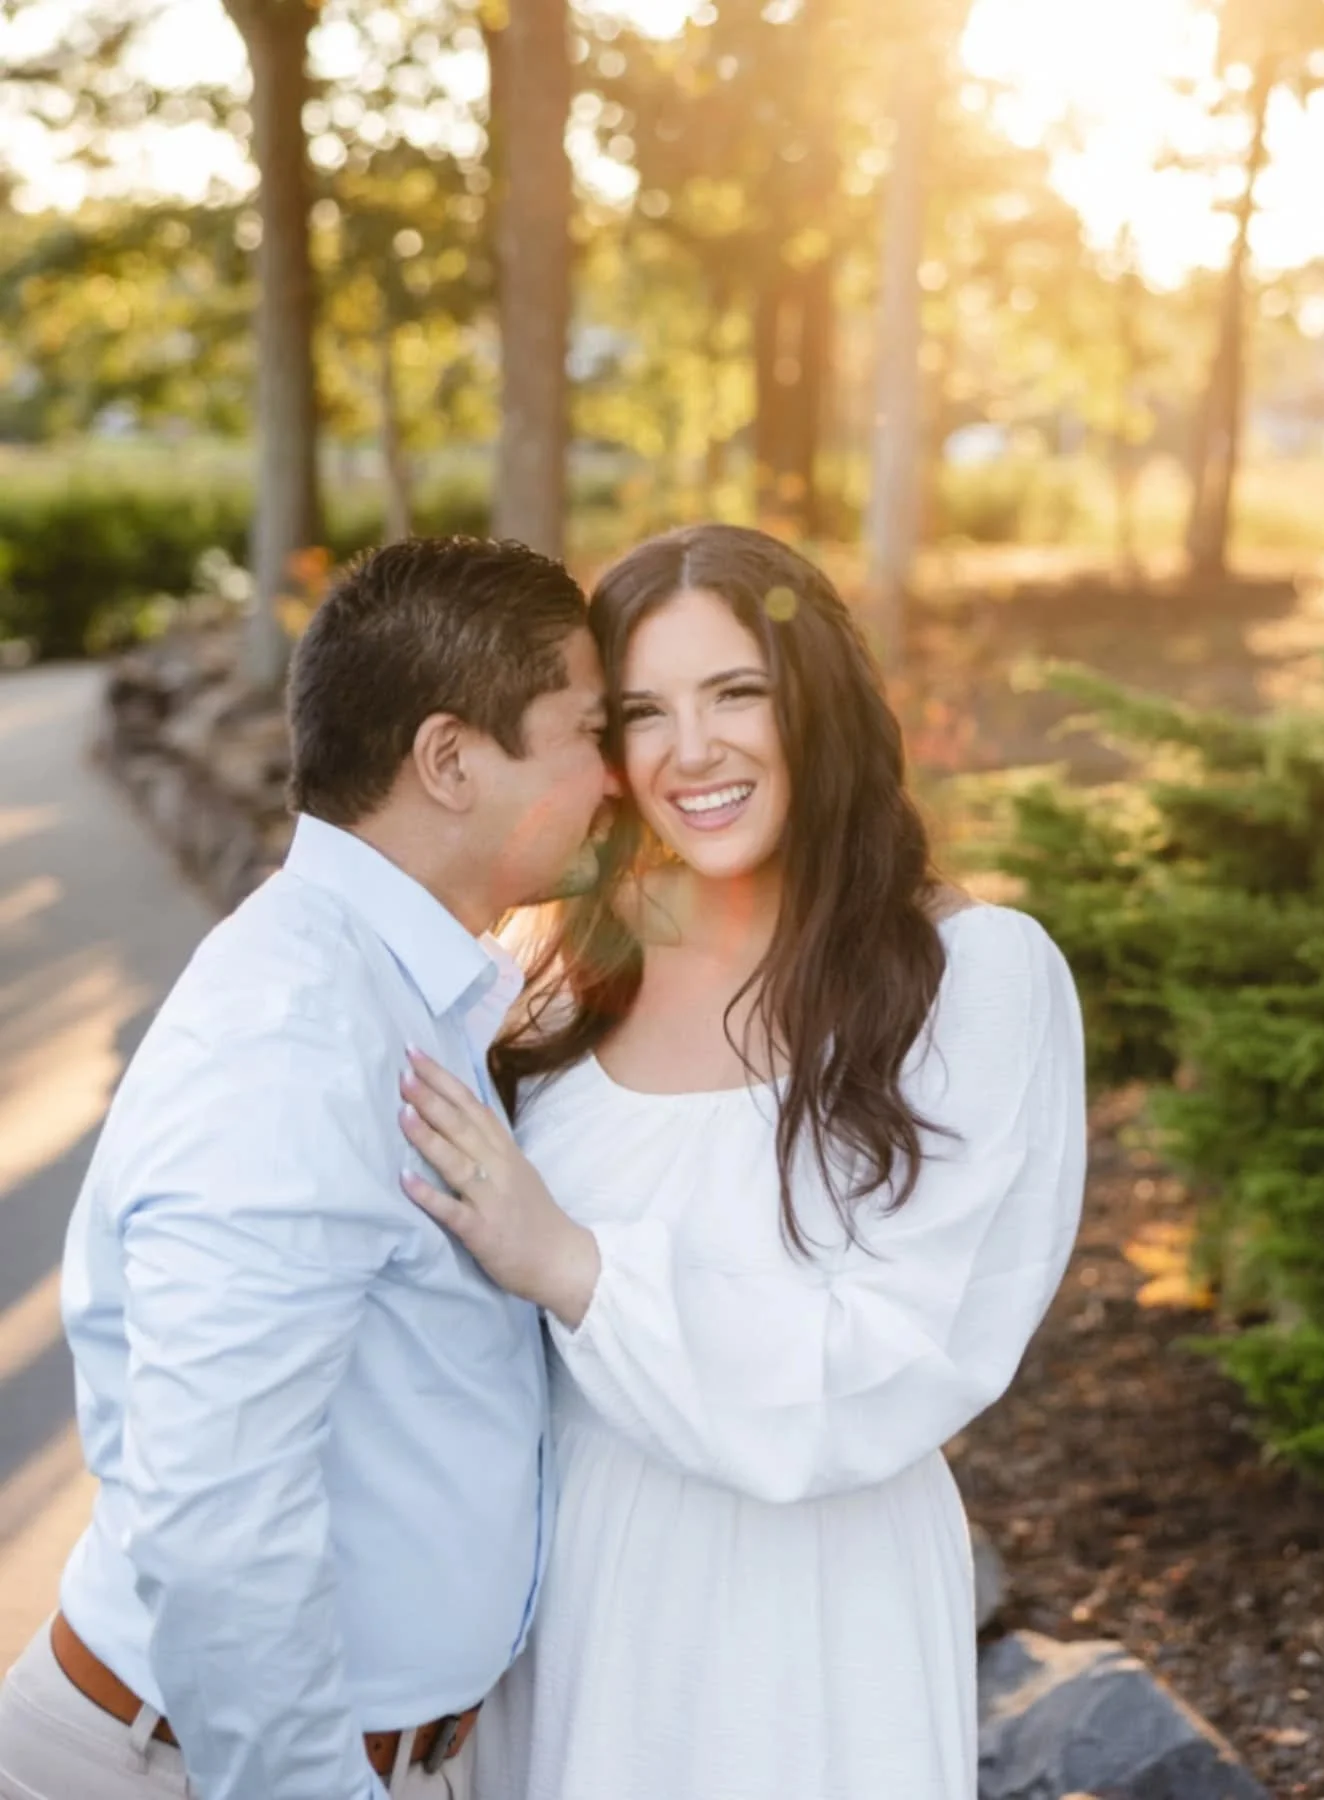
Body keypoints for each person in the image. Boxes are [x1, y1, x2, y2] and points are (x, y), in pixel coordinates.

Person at [395, 522, 1089, 1800]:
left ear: (813, 703)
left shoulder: (973, 980)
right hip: (565, 1597)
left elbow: (896, 1358)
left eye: (736, 694)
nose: (691, 750)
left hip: (803, 1615)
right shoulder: (571, 966)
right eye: (644, 711)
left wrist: (576, 1267)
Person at [0, 537, 619, 1800]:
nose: (618, 776)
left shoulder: (416, 984)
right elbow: (219, 1523)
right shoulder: (294, 1035)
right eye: (588, 731)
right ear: (451, 760)